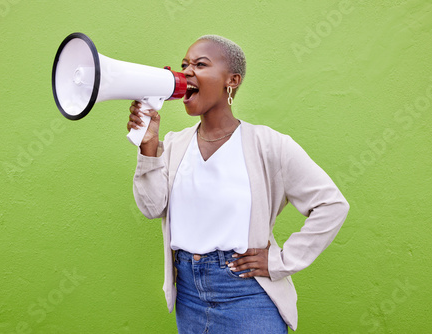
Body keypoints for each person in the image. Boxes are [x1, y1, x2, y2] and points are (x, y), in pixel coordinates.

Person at [127, 35, 349, 333]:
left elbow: (332, 205)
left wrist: (281, 261)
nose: (187, 71)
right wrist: (148, 147)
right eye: (184, 64)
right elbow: (152, 208)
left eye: (200, 64)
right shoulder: (174, 144)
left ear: (232, 80)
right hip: (190, 297)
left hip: (247, 296)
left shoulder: (270, 145)